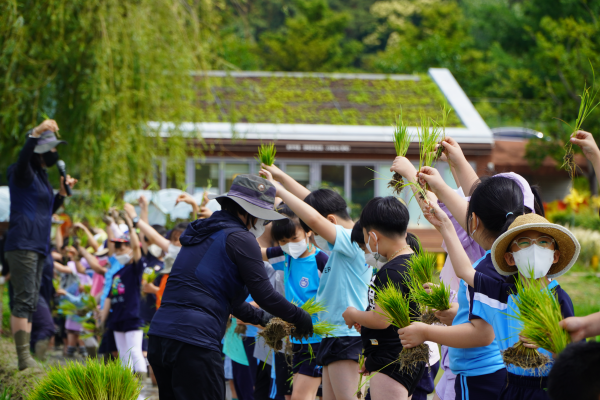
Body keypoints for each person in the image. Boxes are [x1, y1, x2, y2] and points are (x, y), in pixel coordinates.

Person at [148, 174, 313, 400]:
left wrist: (264, 319)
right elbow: (265, 294)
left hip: (161, 337)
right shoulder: (240, 238)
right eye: (261, 218)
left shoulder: (203, 233)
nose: (263, 225)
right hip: (194, 342)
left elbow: (230, 301)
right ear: (246, 212)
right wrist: (300, 317)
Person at [418, 204, 578, 399]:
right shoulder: (503, 295)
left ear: (556, 255)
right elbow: (465, 272)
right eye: (525, 243)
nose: (535, 249)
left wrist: (548, 341)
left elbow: (574, 355)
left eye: (544, 242)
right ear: (510, 258)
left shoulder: (558, 298)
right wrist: (444, 224)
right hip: (510, 387)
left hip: (547, 389)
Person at [260, 166, 371, 400]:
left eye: (315, 229)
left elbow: (312, 216)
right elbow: (312, 207)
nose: (315, 232)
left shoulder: (351, 241)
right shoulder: (341, 246)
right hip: (331, 335)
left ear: (328, 221)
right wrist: (283, 178)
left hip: (345, 336)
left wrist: (278, 189)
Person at [4, 119, 77, 370]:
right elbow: (24, 155)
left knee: (31, 301)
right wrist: (36, 132)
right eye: (52, 150)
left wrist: (61, 195)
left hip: (38, 245)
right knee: (23, 301)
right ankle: (23, 359)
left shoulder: (42, 176)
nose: (55, 154)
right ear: (40, 150)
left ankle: (27, 357)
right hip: (22, 243)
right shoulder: (20, 171)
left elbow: (46, 212)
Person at [341, 197, 424, 400]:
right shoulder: (413, 262)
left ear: (373, 237)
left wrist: (354, 314)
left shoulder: (391, 271)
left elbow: (381, 319)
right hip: (399, 357)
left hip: (392, 360)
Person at [263, 204, 328, 400]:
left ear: (309, 231)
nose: (290, 244)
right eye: (283, 241)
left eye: (294, 239)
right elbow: (254, 252)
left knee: (301, 396)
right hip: (296, 339)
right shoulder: (285, 255)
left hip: (317, 339)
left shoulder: (321, 261)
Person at [99, 210, 147, 378]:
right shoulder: (116, 274)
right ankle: (128, 392)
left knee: (135, 352)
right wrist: (102, 320)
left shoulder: (135, 269)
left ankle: (141, 391)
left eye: (122, 246)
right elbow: (109, 298)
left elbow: (136, 246)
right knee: (123, 356)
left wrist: (131, 227)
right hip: (117, 318)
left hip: (132, 316)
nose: (118, 250)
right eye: (116, 247)